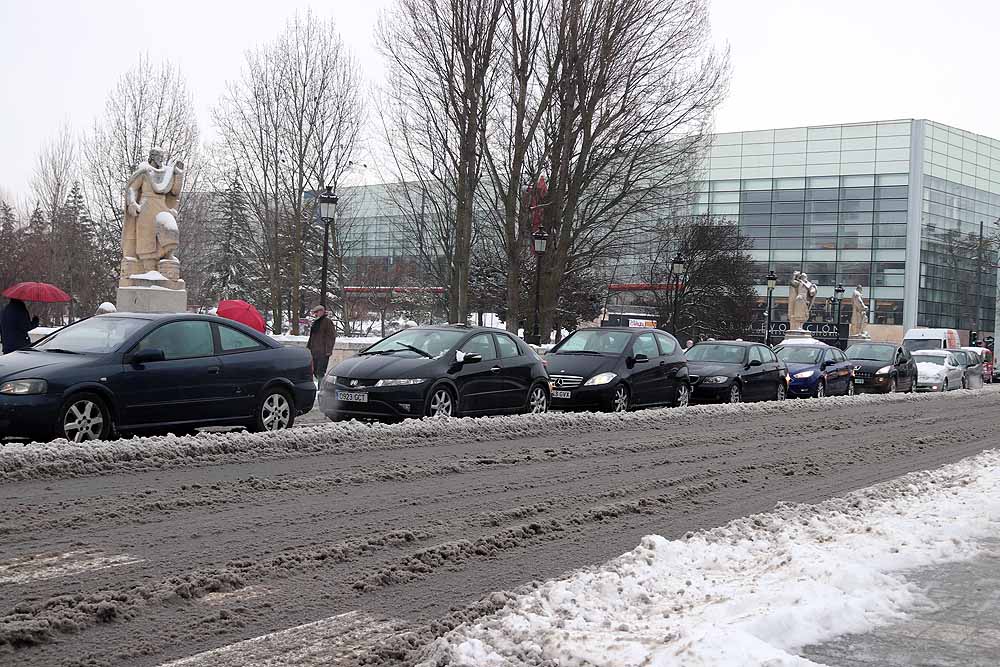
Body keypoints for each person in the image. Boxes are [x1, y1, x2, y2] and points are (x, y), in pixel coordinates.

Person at [306, 305, 337, 381]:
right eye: (314, 312)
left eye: (317, 312)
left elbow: (331, 337)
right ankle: (318, 389)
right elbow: (312, 337)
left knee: (320, 372)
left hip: (323, 352)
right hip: (314, 352)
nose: (315, 314)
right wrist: (308, 348)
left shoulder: (327, 322)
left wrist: (328, 351)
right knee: (315, 372)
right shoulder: (316, 322)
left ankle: (321, 390)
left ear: (322, 312)